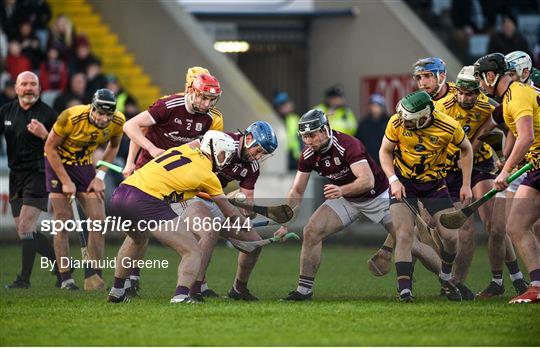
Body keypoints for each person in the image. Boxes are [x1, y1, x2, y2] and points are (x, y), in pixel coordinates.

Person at [275, 109, 441, 302]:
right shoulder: (308, 154)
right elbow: (296, 191)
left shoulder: (348, 145)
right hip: (348, 199)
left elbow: (367, 181)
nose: (308, 141)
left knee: (412, 245)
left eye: (312, 135)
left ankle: (449, 280)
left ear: (325, 130)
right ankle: (303, 291)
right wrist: (285, 222)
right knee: (311, 231)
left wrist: (341, 191)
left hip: (378, 197)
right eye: (304, 136)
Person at [106, 130, 247, 304]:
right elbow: (230, 213)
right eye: (225, 154)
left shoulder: (182, 150)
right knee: (192, 251)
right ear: (216, 151)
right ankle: (181, 296)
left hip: (120, 194)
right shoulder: (208, 176)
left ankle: (117, 290)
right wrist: (244, 223)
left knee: (137, 239)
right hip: (145, 200)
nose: (226, 159)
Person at [121, 67, 223, 294]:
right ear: (191, 88)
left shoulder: (213, 119)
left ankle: (197, 284)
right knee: (139, 231)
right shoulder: (167, 105)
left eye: (212, 99)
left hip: (181, 179)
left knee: (206, 231)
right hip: (150, 172)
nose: (207, 104)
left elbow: (211, 151)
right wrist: (137, 158)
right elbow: (133, 127)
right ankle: (127, 279)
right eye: (204, 97)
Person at [436, 66, 527, 300]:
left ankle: (514, 279)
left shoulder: (489, 106)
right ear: (456, 90)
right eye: (463, 93)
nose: (466, 98)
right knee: (464, 230)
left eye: (472, 94)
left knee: (495, 227)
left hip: (480, 167)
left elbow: (514, 129)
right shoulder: (441, 107)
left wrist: (504, 157)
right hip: (450, 171)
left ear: (479, 92)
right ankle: (456, 283)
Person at [379, 90, 474, 302]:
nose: (404, 124)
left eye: (410, 121)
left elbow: (466, 149)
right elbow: (385, 151)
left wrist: (466, 184)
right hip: (404, 184)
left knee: (451, 237)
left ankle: (447, 276)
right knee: (404, 234)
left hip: (434, 185)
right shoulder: (396, 122)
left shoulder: (449, 126)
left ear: (424, 117)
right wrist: (393, 180)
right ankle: (404, 291)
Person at [179, 121, 278, 301]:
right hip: (191, 196)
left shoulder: (252, 167)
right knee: (209, 231)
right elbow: (182, 152)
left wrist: (246, 208)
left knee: (254, 243)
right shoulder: (221, 140)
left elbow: (247, 203)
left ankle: (239, 289)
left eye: (264, 153)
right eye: (259, 150)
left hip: (217, 200)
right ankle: (194, 290)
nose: (258, 157)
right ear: (248, 139)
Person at [474, 53, 540, 304]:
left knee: (519, 226)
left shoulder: (518, 95)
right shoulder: (509, 98)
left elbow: (527, 136)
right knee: (516, 226)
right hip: (535, 166)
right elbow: (514, 134)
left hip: (537, 163)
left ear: (491, 76)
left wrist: (505, 171)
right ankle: (536, 286)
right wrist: (506, 161)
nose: (480, 84)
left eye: (481, 78)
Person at [44, 88, 125, 290]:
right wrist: (65, 180)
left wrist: (100, 175)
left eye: (108, 114)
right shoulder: (70, 116)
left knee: (99, 221)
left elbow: (113, 147)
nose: (103, 118)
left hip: (84, 166)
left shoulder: (117, 121)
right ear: (92, 107)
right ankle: (65, 279)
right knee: (62, 222)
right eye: (100, 112)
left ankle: (94, 276)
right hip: (58, 165)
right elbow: (49, 148)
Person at [0, 71, 59, 288]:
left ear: (39, 88)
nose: (28, 88)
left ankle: (23, 279)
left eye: (33, 84)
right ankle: (62, 264)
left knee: (26, 225)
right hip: (15, 176)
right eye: (23, 84)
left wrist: (45, 135)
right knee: (26, 231)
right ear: (16, 89)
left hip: (39, 173)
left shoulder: (49, 114)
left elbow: (62, 149)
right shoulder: (6, 111)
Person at [355, 93, 389, 164]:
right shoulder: (364, 124)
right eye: (373, 106)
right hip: (369, 162)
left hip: (386, 161)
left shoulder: (389, 122)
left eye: (378, 106)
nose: (375, 109)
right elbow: (358, 142)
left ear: (383, 107)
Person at [273, 91, 301, 171]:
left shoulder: (294, 118)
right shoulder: (275, 121)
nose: (291, 105)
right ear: (279, 107)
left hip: (295, 156)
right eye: (287, 104)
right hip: (281, 156)